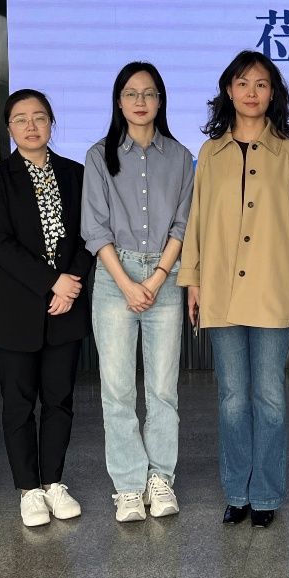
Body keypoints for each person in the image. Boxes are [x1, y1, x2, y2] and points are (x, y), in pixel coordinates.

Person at [180, 51, 289, 529]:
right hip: (220, 288)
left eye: (260, 84)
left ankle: (267, 494)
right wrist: (193, 280)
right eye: (242, 83)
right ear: (228, 91)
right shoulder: (209, 153)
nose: (251, 92)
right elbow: (196, 220)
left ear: (273, 93)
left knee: (270, 397)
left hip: (273, 287)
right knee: (233, 398)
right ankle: (237, 491)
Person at [82, 62, 193, 524]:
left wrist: (157, 277)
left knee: (163, 388)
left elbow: (183, 225)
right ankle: (128, 486)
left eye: (149, 93)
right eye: (131, 93)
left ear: (161, 100)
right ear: (119, 101)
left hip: (164, 276)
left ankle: (160, 478)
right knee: (117, 389)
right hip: (115, 277)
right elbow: (94, 228)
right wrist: (128, 283)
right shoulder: (98, 156)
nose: (140, 101)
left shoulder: (181, 157)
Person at [0, 89, 93, 528]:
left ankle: (54, 483)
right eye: (21, 119)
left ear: (51, 123)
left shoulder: (75, 174)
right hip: (15, 309)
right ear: (9, 128)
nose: (31, 126)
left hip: (66, 306)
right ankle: (28, 489)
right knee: (19, 403)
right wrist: (52, 282)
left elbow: (89, 235)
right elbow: (0, 243)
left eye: (40, 117)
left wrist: (71, 284)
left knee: (60, 400)